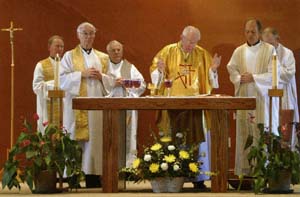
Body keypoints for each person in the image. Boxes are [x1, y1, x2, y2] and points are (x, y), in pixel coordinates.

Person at [149, 25, 221, 189]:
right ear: (181, 37)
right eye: (189, 41)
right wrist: (159, 71)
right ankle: (173, 177)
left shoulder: (202, 54)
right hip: (172, 105)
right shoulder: (167, 51)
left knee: (196, 140)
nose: (191, 45)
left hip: (195, 105)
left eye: (195, 42)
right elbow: (156, 74)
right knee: (173, 139)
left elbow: (211, 81)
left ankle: (199, 179)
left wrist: (213, 71)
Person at [60, 22, 111, 188]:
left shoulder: (103, 57)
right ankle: (73, 178)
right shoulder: (69, 56)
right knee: (75, 139)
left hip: (96, 108)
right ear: (78, 35)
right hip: (76, 107)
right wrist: (81, 74)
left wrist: (102, 77)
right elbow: (61, 80)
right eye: (85, 33)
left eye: (92, 33)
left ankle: (93, 176)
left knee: (95, 141)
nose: (89, 37)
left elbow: (111, 81)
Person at [227, 18, 278, 176]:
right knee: (245, 135)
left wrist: (254, 77)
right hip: (244, 99)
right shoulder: (239, 51)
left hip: (261, 99)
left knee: (260, 134)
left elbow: (273, 74)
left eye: (253, 32)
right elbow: (232, 69)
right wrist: (238, 78)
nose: (249, 35)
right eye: (247, 32)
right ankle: (246, 173)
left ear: (260, 33)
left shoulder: (269, 50)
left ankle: (262, 172)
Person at [104, 40, 145, 167]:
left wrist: (126, 83)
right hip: (108, 109)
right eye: (113, 50)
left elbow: (142, 84)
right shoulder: (103, 66)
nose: (116, 52)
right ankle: (109, 166)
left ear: (122, 51)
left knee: (127, 137)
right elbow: (97, 86)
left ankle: (128, 167)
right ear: (108, 52)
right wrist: (112, 83)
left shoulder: (130, 67)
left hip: (127, 110)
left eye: (119, 50)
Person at [262, 27, 299, 149]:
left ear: (277, 39)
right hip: (268, 96)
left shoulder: (287, 53)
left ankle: (287, 160)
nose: (269, 47)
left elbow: (289, 74)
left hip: (285, 95)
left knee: (285, 128)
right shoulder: (263, 55)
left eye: (271, 43)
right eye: (266, 44)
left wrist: (273, 70)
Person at [32, 35, 64, 133]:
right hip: (47, 106)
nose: (59, 49)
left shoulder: (66, 65)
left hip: (63, 105)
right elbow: (36, 86)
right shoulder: (41, 65)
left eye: (62, 46)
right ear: (49, 47)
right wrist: (53, 86)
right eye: (57, 46)